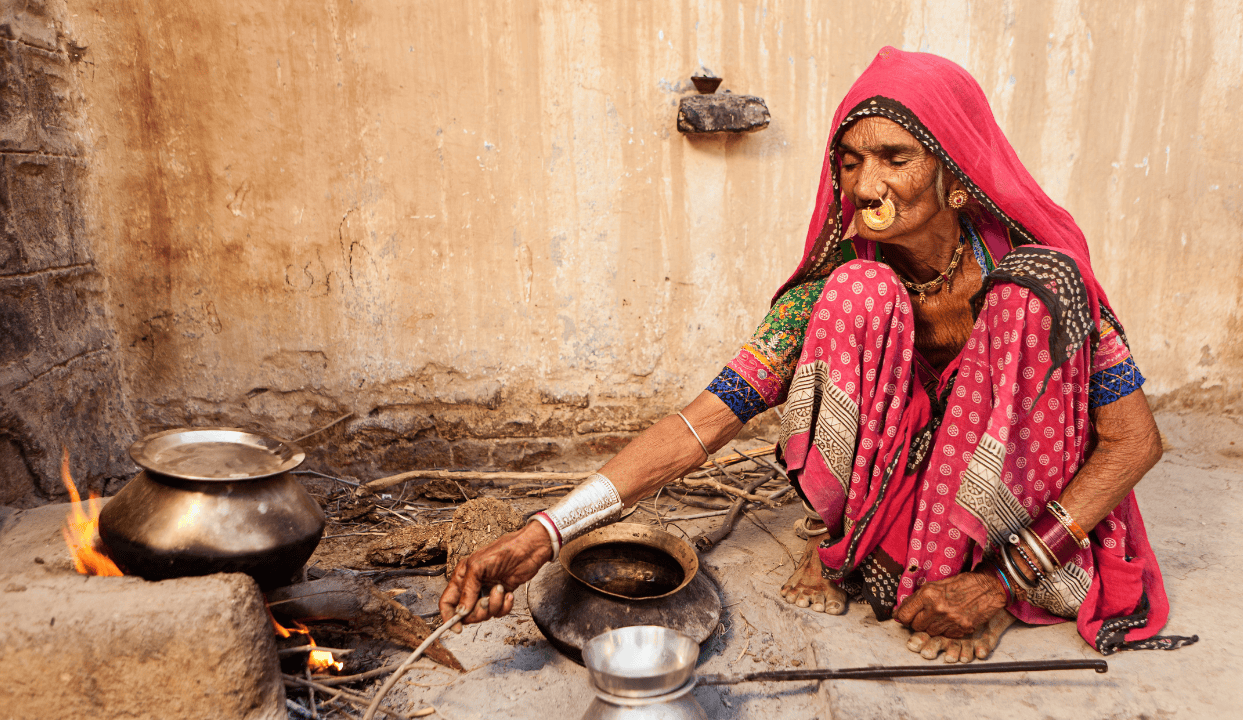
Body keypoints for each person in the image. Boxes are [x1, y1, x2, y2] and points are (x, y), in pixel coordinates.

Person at [440, 48, 1197, 662]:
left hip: (1004, 520)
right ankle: (854, 540)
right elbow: (701, 425)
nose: (866, 185)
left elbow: (1135, 441)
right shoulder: (840, 287)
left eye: (894, 157)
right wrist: (543, 533)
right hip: (896, 483)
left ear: (956, 179)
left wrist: (1003, 582)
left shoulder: (1037, 276)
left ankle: (968, 579)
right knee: (857, 293)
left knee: (1033, 296)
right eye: (848, 161)